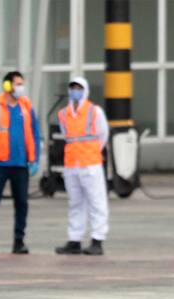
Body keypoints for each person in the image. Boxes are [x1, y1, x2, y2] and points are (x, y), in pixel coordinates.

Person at [0, 70, 43, 254]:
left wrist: (34, 159)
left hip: (21, 164)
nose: (20, 88)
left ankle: (19, 240)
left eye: (21, 84)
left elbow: (34, 133)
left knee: (22, 203)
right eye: (17, 84)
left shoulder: (26, 106)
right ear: (7, 86)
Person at [54, 77, 110, 256]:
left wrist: (91, 152)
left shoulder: (95, 111)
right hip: (71, 164)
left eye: (78, 88)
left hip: (90, 164)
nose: (75, 91)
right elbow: (66, 136)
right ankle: (74, 240)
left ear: (85, 90)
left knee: (96, 202)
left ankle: (97, 240)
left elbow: (103, 134)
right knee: (75, 203)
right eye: (72, 88)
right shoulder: (63, 114)